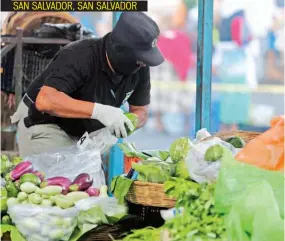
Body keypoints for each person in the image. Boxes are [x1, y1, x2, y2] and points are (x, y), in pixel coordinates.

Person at [11, 12, 165, 157]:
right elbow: (45, 100)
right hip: (45, 123)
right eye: (140, 59)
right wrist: (99, 111)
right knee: (58, 181)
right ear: (120, 51)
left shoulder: (140, 67)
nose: (144, 65)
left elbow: (141, 111)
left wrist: (119, 127)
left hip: (84, 132)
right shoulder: (80, 56)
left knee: (90, 183)